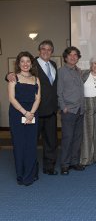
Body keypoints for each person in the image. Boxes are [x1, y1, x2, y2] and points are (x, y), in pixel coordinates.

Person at [6, 40, 59, 175]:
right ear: (39, 51)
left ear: (52, 52)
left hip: (51, 110)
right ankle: (29, 168)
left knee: (51, 141)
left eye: (49, 49)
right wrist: (8, 75)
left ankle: (49, 167)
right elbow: (15, 76)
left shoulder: (53, 64)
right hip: (35, 112)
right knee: (30, 142)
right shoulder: (31, 62)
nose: (46, 51)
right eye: (43, 49)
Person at [8, 51, 41, 186]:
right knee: (19, 145)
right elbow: (11, 98)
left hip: (33, 114)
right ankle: (21, 175)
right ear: (18, 63)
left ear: (31, 63)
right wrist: (25, 113)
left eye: (28, 61)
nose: (25, 64)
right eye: (22, 61)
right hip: (17, 114)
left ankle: (30, 173)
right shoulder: (13, 78)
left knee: (31, 145)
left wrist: (31, 113)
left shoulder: (36, 79)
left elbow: (38, 99)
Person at [57, 46, 85, 175]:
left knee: (77, 138)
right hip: (69, 110)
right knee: (67, 138)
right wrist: (63, 107)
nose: (73, 57)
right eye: (70, 55)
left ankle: (74, 162)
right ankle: (65, 164)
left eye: (76, 55)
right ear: (66, 57)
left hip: (80, 110)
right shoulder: (61, 71)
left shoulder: (79, 71)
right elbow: (59, 92)